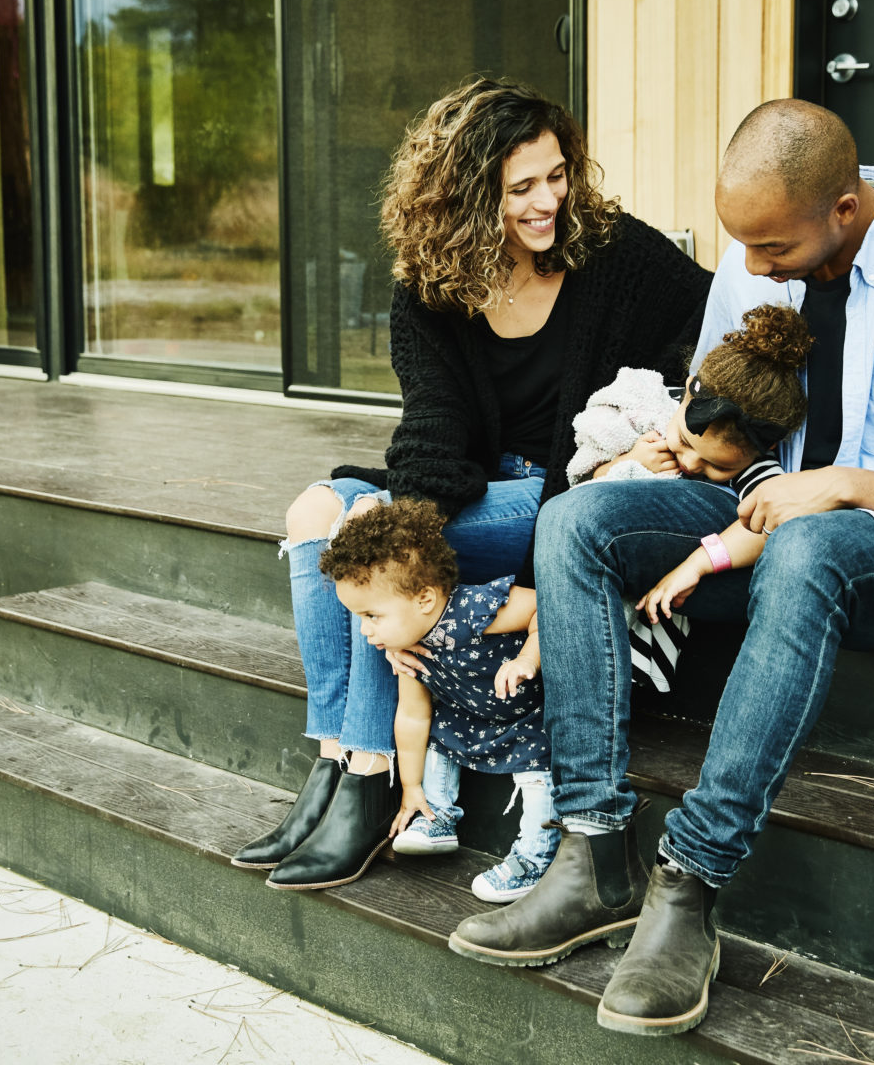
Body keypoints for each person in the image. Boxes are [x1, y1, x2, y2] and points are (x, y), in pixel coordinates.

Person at [448, 99, 874, 1038]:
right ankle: (595, 853)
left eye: (770, 250)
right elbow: (729, 422)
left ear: (844, 211)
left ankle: (688, 883)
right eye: (744, 246)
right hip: (754, 511)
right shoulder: (754, 252)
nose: (753, 269)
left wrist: (845, 486)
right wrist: (674, 451)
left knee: (808, 547)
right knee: (576, 519)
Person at [232, 78, 713, 892]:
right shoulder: (429, 289)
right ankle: (337, 758)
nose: (548, 201)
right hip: (482, 487)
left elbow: (711, 326)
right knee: (320, 511)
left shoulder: (615, 253)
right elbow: (434, 430)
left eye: (557, 175)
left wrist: (671, 431)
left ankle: (366, 779)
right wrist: (401, 535)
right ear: (462, 199)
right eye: (520, 188)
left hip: (571, 497)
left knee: (372, 532)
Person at [566, 304, 812, 692]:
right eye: (684, 440)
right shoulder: (650, 410)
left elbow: (769, 524)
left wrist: (700, 562)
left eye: (718, 467)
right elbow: (584, 479)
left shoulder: (758, 468)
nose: (691, 463)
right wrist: (627, 461)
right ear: (686, 392)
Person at [316, 499, 554, 900]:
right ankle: (436, 815)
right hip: (468, 715)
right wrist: (411, 787)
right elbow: (412, 717)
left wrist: (527, 658)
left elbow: (549, 609)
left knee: (538, 776)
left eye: (372, 616)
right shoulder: (410, 645)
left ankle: (534, 856)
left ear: (424, 599)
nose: (364, 631)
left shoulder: (474, 610)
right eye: (359, 618)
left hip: (527, 714)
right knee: (439, 738)